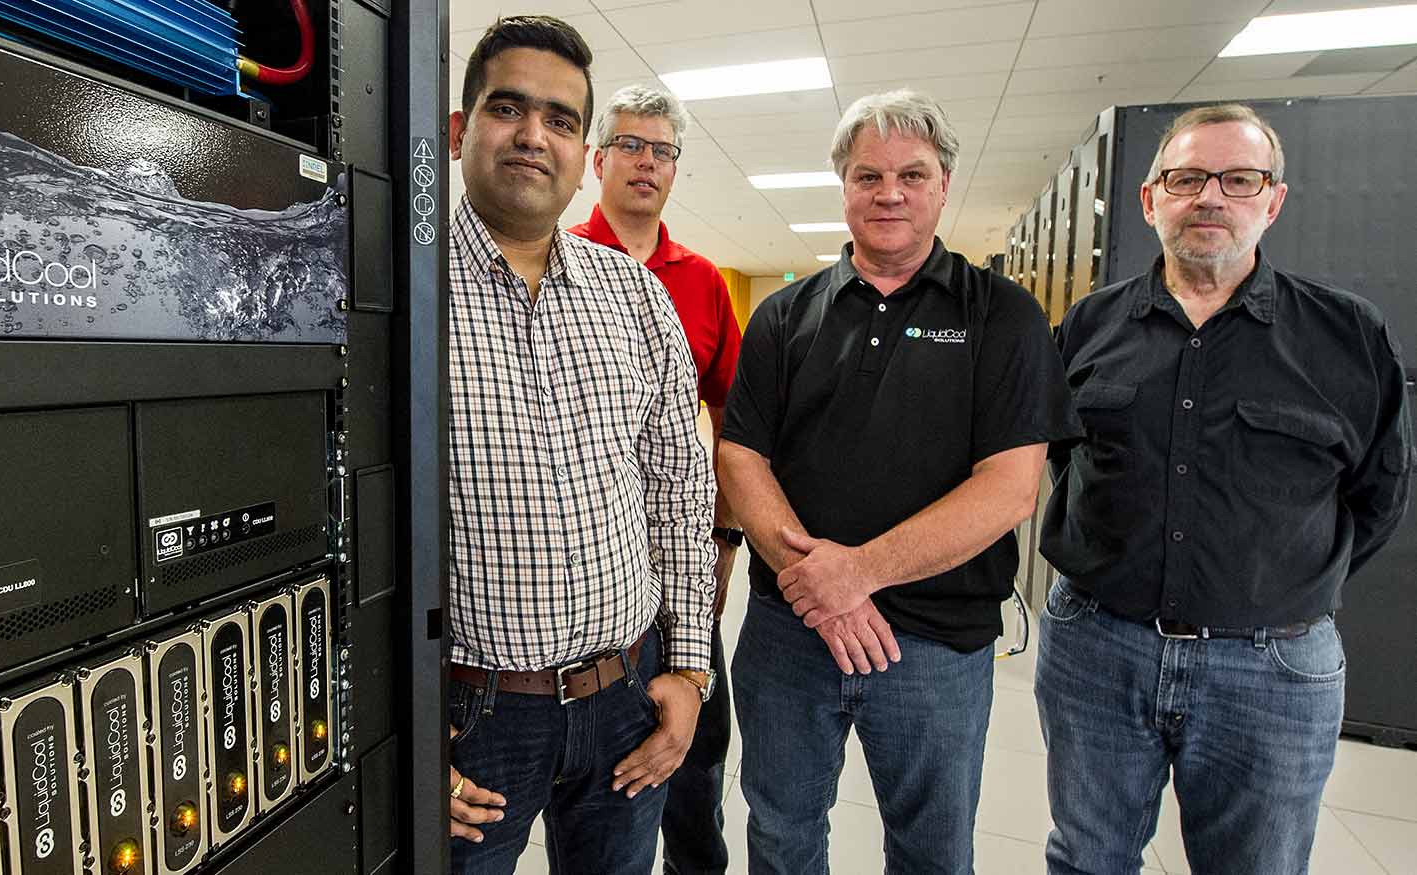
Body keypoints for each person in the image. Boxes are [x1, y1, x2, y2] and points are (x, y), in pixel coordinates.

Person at [1036, 103, 1413, 874]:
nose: (1210, 196)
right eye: (1186, 177)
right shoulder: (1090, 324)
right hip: (1098, 649)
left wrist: (1276, 581)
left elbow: (1379, 492)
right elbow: (1061, 459)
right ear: (1151, 200)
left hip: (1271, 667)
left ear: (1272, 199)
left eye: (1238, 179)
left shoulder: (1346, 335)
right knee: (1086, 857)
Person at [717, 88, 1081, 874]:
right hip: (791, 635)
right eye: (867, 175)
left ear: (944, 184)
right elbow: (741, 455)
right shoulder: (786, 315)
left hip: (935, 646)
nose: (889, 193)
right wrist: (814, 582)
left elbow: (1012, 487)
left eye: (912, 175)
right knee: (780, 831)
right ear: (843, 186)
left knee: (931, 850)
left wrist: (858, 573)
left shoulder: (1003, 316)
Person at [443, 15, 718, 875]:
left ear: (580, 149)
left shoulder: (635, 296)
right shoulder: (395, 292)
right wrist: (392, 723)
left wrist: (690, 670)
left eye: (561, 120)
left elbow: (681, 491)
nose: (534, 135)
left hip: (626, 700)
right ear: (459, 131)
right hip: (470, 717)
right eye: (508, 108)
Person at [568, 83, 743, 875]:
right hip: (581, 587)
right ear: (598, 159)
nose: (647, 162)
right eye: (631, 146)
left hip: (676, 577)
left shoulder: (702, 281)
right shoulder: (553, 257)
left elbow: (740, 423)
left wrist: (727, 537)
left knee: (697, 774)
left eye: (663, 150)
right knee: (599, 787)